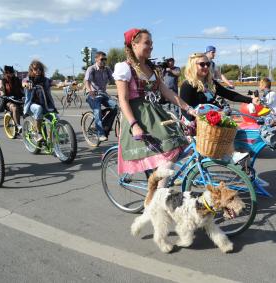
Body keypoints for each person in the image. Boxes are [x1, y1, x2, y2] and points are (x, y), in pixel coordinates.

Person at [113, 28, 196, 186]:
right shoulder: (124, 67)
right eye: (147, 43)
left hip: (153, 114)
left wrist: (189, 108)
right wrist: (134, 125)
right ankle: (159, 193)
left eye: (152, 43)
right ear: (134, 44)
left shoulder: (151, 68)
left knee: (179, 142)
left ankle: (160, 185)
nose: (151, 46)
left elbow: (168, 93)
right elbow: (123, 99)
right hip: (137, 116)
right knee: (169, 148)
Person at [179, 52, 259, 163]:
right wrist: (198, 119)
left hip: (210, 120)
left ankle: (228, 155)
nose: (206, 66)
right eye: (202, 64)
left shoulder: (211, 83)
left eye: (208, 64)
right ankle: (227, 156)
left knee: (229, 126)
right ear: (193, 65)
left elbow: (230, 94)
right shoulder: (188, 85)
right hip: (194, 123)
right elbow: (184, 108)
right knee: (198, 156)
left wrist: (250, 100)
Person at [84, 51, 117, 142]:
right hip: (92, 95)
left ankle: (105, 126)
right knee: (97, 110)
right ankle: (100, 133)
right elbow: (87, 81)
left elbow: (115, 80)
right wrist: (90, 91)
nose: (104, 61)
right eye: (102, 59)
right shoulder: (92, 69)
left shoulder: (107, 69)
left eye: (105, 59)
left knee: (115, 107)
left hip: (103, 94)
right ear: (96, 59)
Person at [22, 60, 57, 142]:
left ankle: (54, 138)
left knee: (56, 119)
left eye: (40, 69)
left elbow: (55, 82)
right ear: (32, 70)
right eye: (35, 69)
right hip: (32, 106)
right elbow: (23, 83)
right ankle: (38, 133)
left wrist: (67, 83)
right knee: (38, 109)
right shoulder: (28, 79)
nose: (38, 71)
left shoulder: (45, 80)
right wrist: (27, 84)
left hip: (46, 106)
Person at [0, 65, 24, 131]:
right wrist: (3, 93)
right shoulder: (2, 81)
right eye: (10, 73)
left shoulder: (17, 79)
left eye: (12, 73)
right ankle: (18, 125)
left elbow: (22, 86)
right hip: (8, 101)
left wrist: (26, 86)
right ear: (6, 73)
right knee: (14, 107)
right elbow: (2, 91)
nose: (12, 74)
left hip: (18, 99)